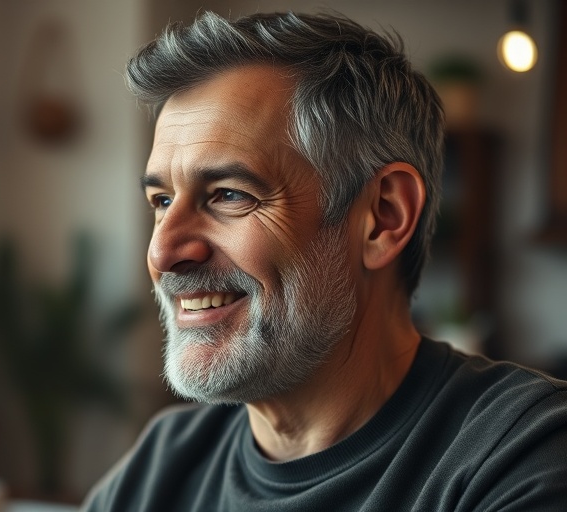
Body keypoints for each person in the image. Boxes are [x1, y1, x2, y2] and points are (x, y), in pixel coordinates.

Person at [82, 11, 567, 511]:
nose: (162, 252)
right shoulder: (159, 467)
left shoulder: (524, 455)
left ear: (383, 217)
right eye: (162, 201)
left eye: (229, 194)